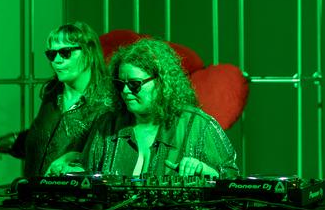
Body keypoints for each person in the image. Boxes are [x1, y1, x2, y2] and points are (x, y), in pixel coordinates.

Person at [0, 21, 111, 177]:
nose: (57, 60)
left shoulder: (106, 103)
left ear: (89, 52)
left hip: (74, 191)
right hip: (36, 189)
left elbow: (106, 157)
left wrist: (74, 158)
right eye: (51, 54)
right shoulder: (52, 93)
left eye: (65, 52)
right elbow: (41, 140)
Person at [82, 38, 239, 178]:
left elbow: (231, 182)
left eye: (134, 84)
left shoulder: (197, 125)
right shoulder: (107, 124)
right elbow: (86, 177)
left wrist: (206, 171)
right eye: (120, 84)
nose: (125, 91)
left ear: (161, 83)